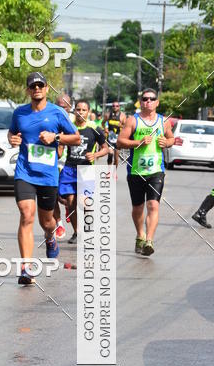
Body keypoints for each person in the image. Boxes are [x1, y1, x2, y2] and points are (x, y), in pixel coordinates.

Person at [7, 72, 80, 285]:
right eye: (33, 86)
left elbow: (76, 138)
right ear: (28, 90)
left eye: (40, 85)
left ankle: (50, 237)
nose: (37, 89)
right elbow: (12, 133)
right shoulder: (19, 113)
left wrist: (55, 136)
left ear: (47, 88)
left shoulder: (57, 113)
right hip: (25, 172)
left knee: (47, 222)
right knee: (26, 215)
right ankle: (26, 268)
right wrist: (12, 139)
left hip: (48, 176)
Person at [117, 88, 174, 256]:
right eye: (145, 99)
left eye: (152, 99)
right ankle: (140, 235)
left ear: (157, 102)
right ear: (140, 102)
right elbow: (120, 142)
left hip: (156, 171)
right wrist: (138, 142)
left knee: (153, 205)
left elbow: (171, 138)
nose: (148, 101)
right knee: (138, 207)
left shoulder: (164, 121)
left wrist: (167, 142)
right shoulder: (132, 120)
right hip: (136, 171)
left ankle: (149, 241)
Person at [58, 99, 108, 243]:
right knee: (70, 202)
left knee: (83, 202)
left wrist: (95, 155)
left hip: (86, 169)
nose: (80, 112)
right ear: (74, 111)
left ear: (88, 112)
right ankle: (77, 232)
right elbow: (60, 147)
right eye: (78, 109)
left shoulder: (94, 128)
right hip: (69, 169)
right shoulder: (69, 126)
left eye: (84, 110)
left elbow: (105, 149)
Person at [54, 93, 74, 240]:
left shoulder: (74, 122)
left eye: (64, 107)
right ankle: (59, 224)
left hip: (71, 166)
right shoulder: (51, 120)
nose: (61, 110)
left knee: (67, 198)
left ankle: (68, 208)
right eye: (58, 106)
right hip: (55, 164)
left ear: (70, 107)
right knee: (54, 197)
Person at [105, 101, 125, 167]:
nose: (115, 107)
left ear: (119, 107)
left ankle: (114, 171)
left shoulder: (122, 116)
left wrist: (121, 126)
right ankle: (109, 170)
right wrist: (105, 128)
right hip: (110, 138)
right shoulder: (108, 115)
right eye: (113, 106)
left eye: (117, 106)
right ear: (112, 107)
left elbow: (126, 127)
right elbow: (103, 122)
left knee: (116, 159)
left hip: (118, 139)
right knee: (110, 154)